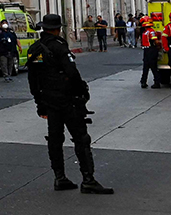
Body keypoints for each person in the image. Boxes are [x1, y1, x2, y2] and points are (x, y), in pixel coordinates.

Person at [27, 13, 114, 195]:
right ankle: (88, 179)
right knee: (81, 139)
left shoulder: (34, 49)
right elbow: (72, 72)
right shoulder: (59, 47)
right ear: (58, 29)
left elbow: (33, 80)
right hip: (67, 100)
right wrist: (82, 91)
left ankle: (60, 177)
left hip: (49, 101)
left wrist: (39, 103)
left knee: (55, 140)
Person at [138, 16, 163, 89]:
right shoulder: (146, 31)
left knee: (152, 67)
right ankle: (143, 81)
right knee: (146, 66)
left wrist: (157, 46)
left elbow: (156, 41)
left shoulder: (150, 31)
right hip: (147, 50)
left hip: (151, 50)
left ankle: (156, 82)